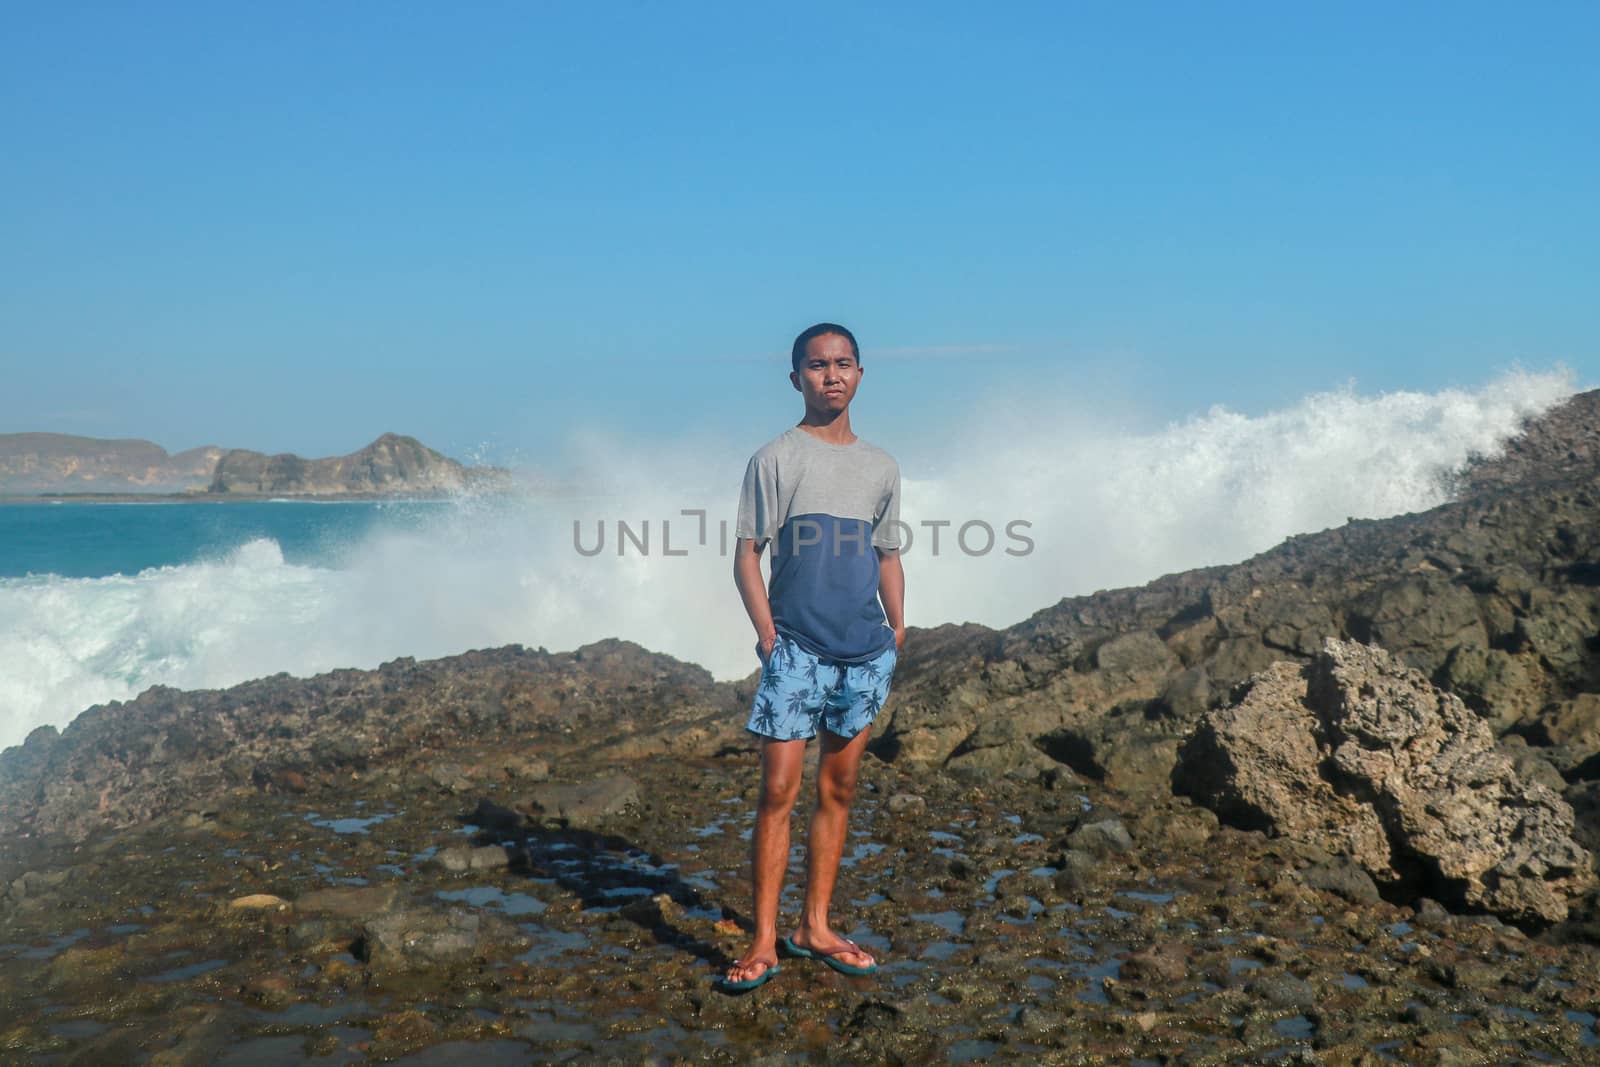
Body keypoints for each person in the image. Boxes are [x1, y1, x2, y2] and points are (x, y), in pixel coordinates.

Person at [717, 322, 906, 992]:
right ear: (796, 376)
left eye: (844, 363)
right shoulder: (774, 458)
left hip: (864, 651)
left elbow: (888, 554)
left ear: (860, 373)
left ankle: (814, 926)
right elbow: (747, 555)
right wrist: (768, 636)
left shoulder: (881, 466)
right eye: (818, 365)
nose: (832, 375)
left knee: (840, 788)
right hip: (796, 649)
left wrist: (899, 630)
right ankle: (764, 939)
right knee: (776, 792)